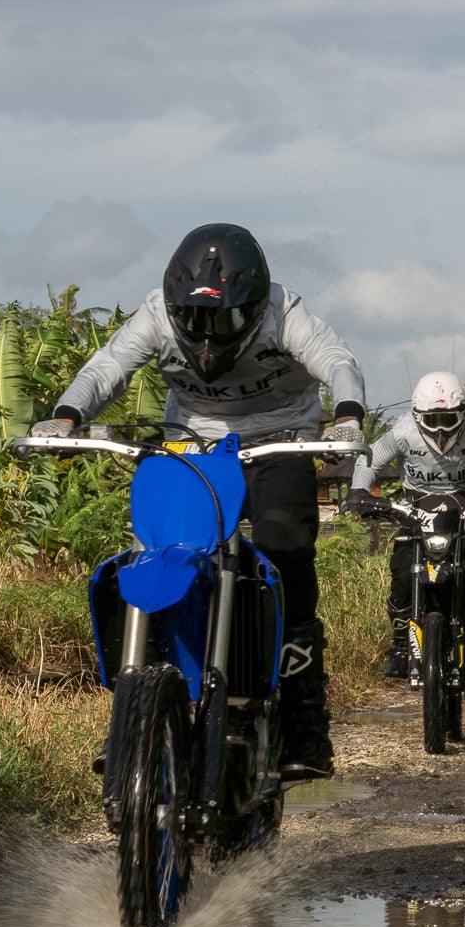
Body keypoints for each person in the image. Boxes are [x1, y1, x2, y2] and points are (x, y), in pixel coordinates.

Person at [29, 223, 367, 780]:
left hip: (278, 441)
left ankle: (306, 724)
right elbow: (108, 368)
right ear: (172, 303)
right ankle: (136, 715)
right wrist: (67, 416)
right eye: (193, 319)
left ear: (255, 306)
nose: (206, 336)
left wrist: (349, 413)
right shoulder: (155, 315)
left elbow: (336, 360)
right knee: (159, 551)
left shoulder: (286, 312)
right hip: (189, 445)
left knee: (285, 554)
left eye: (224, 319)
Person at [347, 371, 465, 681]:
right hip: (416, 507)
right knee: (403, 574)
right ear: (418, 417)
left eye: (449, 418)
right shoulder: (404, 431)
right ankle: (402, 646)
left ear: (464, 413)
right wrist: (359, 491)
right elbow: (369, 462)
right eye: (433, 420)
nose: (441, 428)